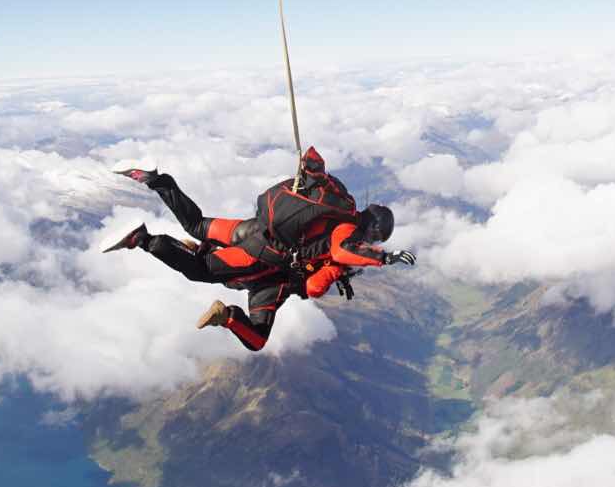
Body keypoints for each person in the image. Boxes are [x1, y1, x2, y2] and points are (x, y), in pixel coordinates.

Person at [102, 147, 412, 352]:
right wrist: (381, 259)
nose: (369, 244)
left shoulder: (339, 206)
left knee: (197, 225)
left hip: (253, 228)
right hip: (262, 258)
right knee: (207, 278)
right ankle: (143, 240)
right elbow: (324, 274)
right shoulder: (346, 230)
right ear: (373, 231)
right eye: (374, 240)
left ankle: (154, 179)